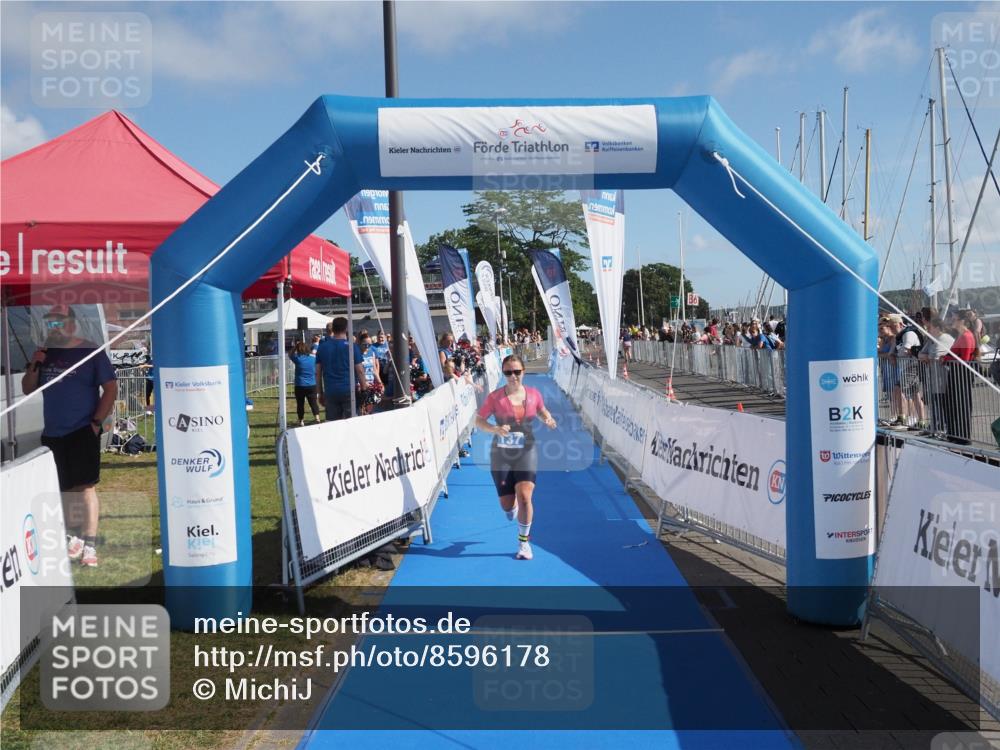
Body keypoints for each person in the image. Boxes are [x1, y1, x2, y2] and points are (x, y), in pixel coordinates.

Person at [21, 305, 118, 568]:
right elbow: (28, 388)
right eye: (50, 323)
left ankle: (89, 544)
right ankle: (73, 538)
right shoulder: (45, 354)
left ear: (72, 324)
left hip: (82, 429)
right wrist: (35, 363)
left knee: (85, 487)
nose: (54, 328)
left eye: (59, 323)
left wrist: (97, 422)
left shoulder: (90, 351)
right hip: (53, 432)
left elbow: (110, 388)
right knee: (64, 489)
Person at [474, 354, 557, 561]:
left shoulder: (534, 394)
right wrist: (494, 428)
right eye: (508, 372)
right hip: (500, 454)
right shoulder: (495, 397)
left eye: (516, 372)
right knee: (507, 505)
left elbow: (541, 410)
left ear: (523, 372)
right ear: (503, 374)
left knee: (525, 495)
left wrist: (547, 418)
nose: (513, 376)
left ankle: (524, 543)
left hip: (526, 450)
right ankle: (512, 508)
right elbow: (478, 421)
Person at [315, 317, 366, 421]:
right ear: (346, 329)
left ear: (333, 329)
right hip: (349, 390)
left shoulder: (322, 347)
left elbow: (317, 373)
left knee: (332, 425)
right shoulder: (352, 347)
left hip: (331, 390)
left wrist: (320, 392)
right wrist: (364, 389)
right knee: (352, 423)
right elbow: (360, 370)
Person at [288, 341, 320, 426]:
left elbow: (290, 354)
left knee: (300, 404)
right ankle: (317, 418)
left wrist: (295, 346)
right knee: (313, 402)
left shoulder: (297, 358)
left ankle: (301, 420)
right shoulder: (313, 358)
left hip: (300, 385)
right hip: (312, 384)